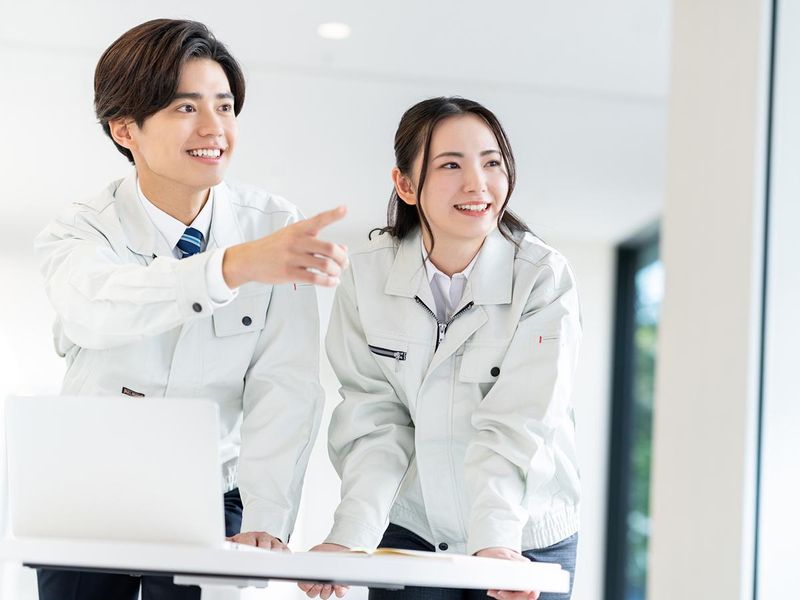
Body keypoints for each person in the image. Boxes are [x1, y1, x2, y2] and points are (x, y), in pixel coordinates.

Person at [33, 18, 348, 600]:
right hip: (87, 490)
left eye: (224, 107)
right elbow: (96, 309)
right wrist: (228, 268)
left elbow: (285, 385)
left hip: (211, 494)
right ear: (125, 128)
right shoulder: (79, 230)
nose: (214, 128)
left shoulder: (272, 226)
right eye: (185, 108)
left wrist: (268, 516)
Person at [301, 97, 581, 600]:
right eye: (451, 165)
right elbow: (375, 420)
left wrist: (495, 540)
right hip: (414, 527)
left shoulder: (543, 278)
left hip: (525, 533)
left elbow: (520, 423)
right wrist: (352, 536)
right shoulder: (366, 277)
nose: (477, 184)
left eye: (492, 163)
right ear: (406, 185)